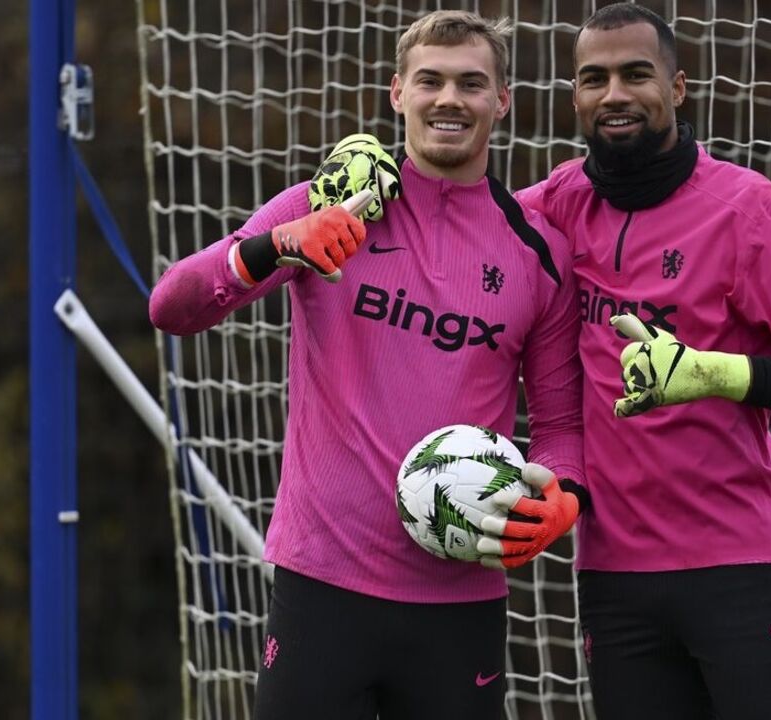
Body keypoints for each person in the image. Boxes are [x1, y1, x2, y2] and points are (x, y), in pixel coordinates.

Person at [317, 5, 771, 718]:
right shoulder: (555, 207)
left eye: (635, 74)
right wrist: (366, 166)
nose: (614, 93)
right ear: (574, 96)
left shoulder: (756, 212)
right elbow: (453, 224)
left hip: (743, 565)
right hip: (615, 578)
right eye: (594, 78)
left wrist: (716, 372)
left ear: (677, 88)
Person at [148, 10, 588, 720]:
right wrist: (277, 244)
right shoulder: (333, 209)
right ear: (397, 93)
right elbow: (172, 306)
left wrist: (561, 497)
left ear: (502, 101)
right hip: (323, 587)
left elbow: (563, 423)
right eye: (431, 81)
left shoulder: (540, 254)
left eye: (471, 84)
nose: (450, 99)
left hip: (461, 597)